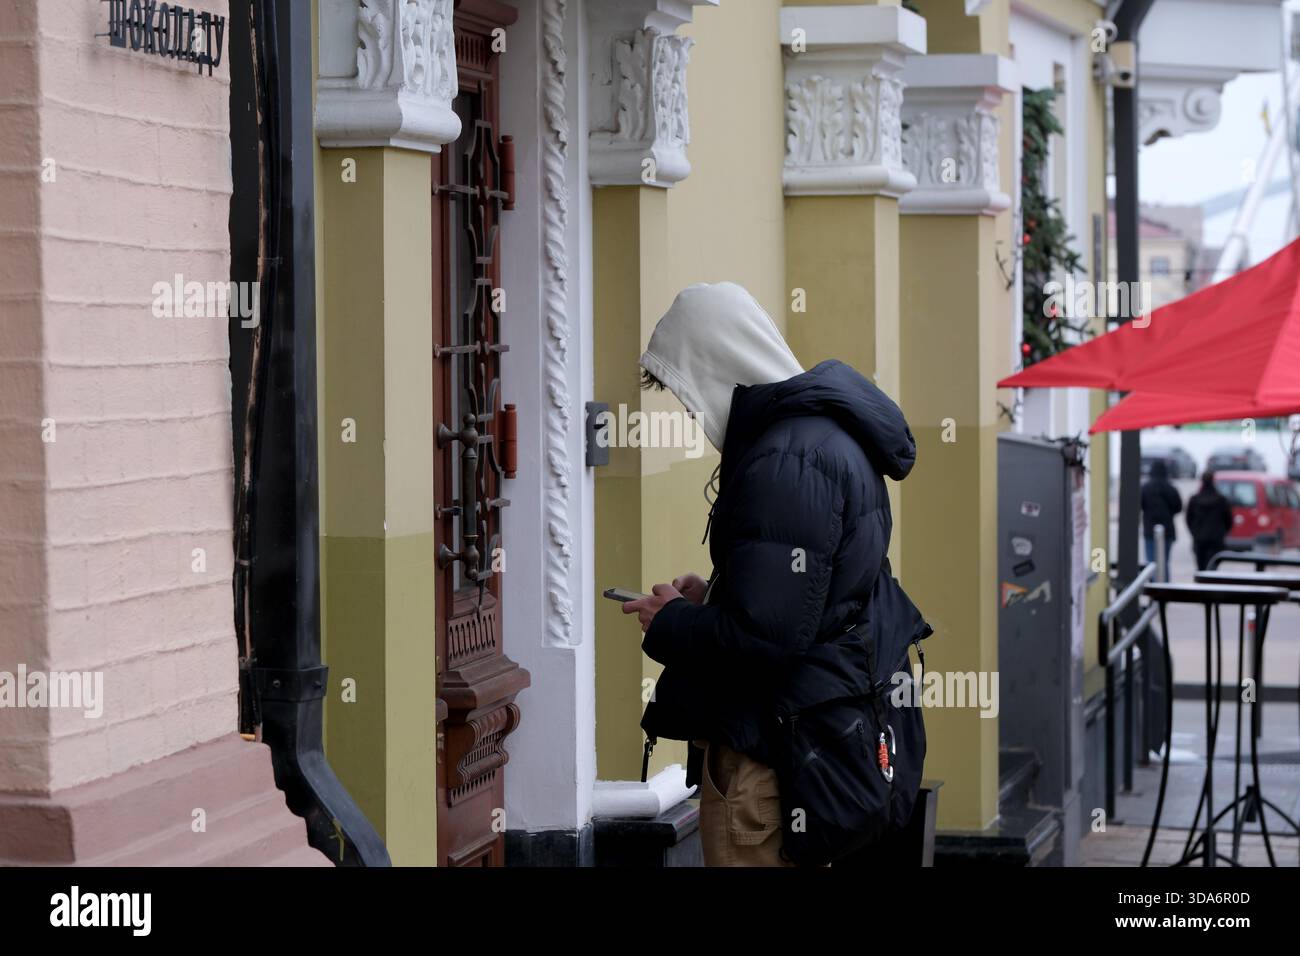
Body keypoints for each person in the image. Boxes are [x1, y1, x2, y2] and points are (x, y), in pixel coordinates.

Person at [621, 282, 918, 867]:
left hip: (767, 761)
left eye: (686, 392)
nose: (689, 412)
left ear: (718, 366)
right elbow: (814, 600)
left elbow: (767, 639)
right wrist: (719, 598)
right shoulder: (826, 439)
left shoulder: (785, 459)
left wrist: (673, 623)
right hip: (812, 738)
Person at [1140, 458, 1182, 573]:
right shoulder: (1171, 488)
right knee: (1164, 562)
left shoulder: (1145, 488)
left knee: (1151, 563)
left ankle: (1153, 587)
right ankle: (1164, 587)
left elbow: (1140, 505)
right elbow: (1178, 507)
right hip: (1167, 529)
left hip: (1149, 530)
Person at [1185, 471, 1233, 571]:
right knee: (1213, 569)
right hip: (1216, 540)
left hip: (1199, 539)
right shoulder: (1221, 500)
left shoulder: (1194, 500)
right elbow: (1228, 520)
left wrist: (1195, 533)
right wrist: (1222, 532)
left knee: (1200, 568)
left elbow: (1188, 520)